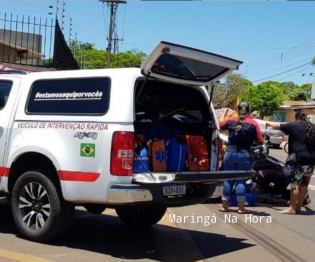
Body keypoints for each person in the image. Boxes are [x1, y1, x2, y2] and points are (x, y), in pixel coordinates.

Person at [266, 110, 315, 214]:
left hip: (297, 159)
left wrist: (266, 122)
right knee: (304, 185)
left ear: (297, 118)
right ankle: (298, 207)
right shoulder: (313, 127)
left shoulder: (294, 125)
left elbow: (277, 125)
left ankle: (292, 208)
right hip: (310, 160)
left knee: (294, 184)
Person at [219, 102, 263, 214]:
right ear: (249, 110)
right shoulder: (253, 123)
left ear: (238, 109)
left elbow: (218, 125)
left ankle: (224, 206)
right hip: (245, 155)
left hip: (230, 153)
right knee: (241, 181)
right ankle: (241, 208)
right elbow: (259, 140)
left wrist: (224, 112)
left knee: (228, 179)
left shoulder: (231, 120)